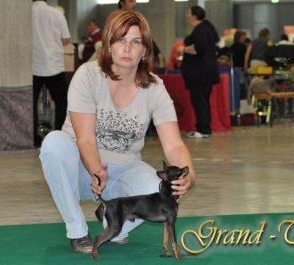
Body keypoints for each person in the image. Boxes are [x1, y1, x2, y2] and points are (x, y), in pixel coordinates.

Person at [39, 11, 195, 254]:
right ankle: (77, 231)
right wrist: (96, 169)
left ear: (145, 50)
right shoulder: (88, 75)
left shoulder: (154, 87)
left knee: (158, 191)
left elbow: (174, 145)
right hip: (80, 168)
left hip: (124, 169)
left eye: (135, 42)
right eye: (120, 40)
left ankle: (112, 224)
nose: (127, 49)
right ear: (109, 46)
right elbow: (85, 138)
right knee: (54, 144)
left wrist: (189, 176)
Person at [32, 0, 71, 147]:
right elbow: (66, 39)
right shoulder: (57, 14)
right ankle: (59, 137)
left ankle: (34, 138)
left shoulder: (27, 14)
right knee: (61, 103)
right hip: (54, 66)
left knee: (32, 104)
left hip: (33, 66)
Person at [181, 5, 220, 138]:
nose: (186, 15)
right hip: (204, 72)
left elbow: (199, 48)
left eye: (188, 12)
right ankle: (204, 128)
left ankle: (203, 129)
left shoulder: (201, 30)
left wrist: (184, 49)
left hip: (201, 73)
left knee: (200, 101)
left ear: (194, 16)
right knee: (202, 100)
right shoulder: (204, 29)